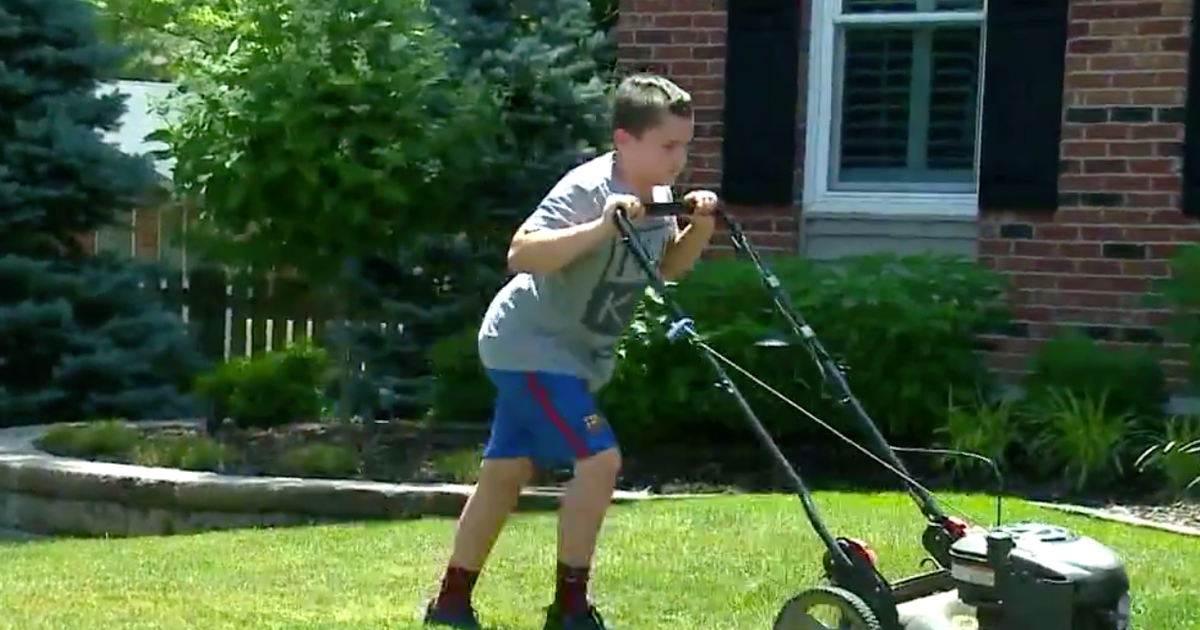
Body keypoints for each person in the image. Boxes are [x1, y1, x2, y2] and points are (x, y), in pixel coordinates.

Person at [423, 72, 719, 630]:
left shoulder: (656, 196)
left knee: (504, 474)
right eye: (668, 146)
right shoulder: (585, 188)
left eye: (685, 145)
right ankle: (570, 607)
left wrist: (697, 228)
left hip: (573, 359)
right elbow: (522, 254)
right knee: (600, 458)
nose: (680, 159)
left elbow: (665, 270)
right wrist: (601, 228)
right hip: (528, 346)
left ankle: (450, 605)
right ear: (625, 140)